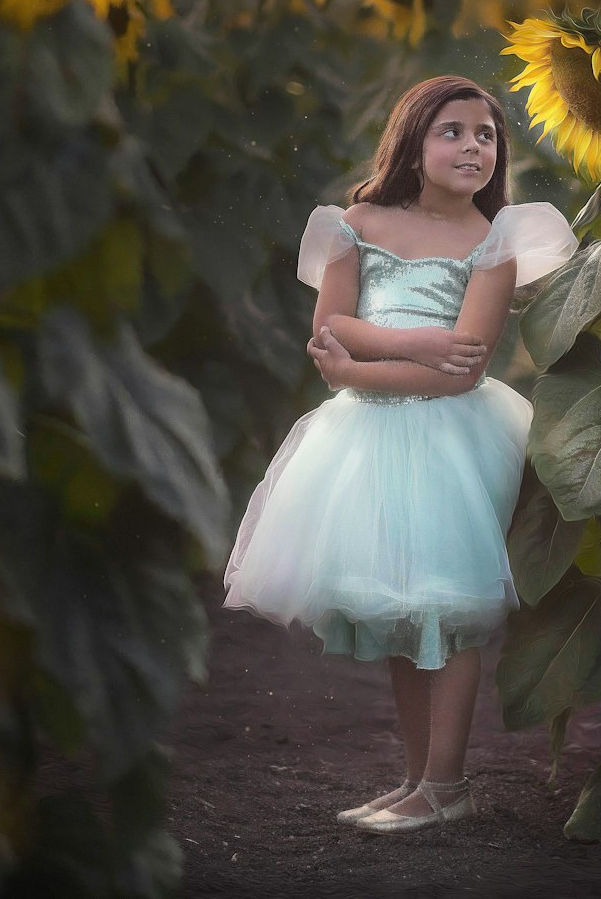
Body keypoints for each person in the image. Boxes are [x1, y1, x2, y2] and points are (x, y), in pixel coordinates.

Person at [222, 74, 577, 834]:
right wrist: (405, 342)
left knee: (446, 608)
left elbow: (466, 369)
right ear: (412, 144)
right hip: (367, 436)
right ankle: (417, 779)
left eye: (486, 135)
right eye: (452, 131)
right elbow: (332, 327)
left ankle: (448, 784)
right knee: (399, 606)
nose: (473, 147)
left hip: (450, 438)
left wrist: (357, 369)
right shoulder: (359, 222)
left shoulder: (494, 240)